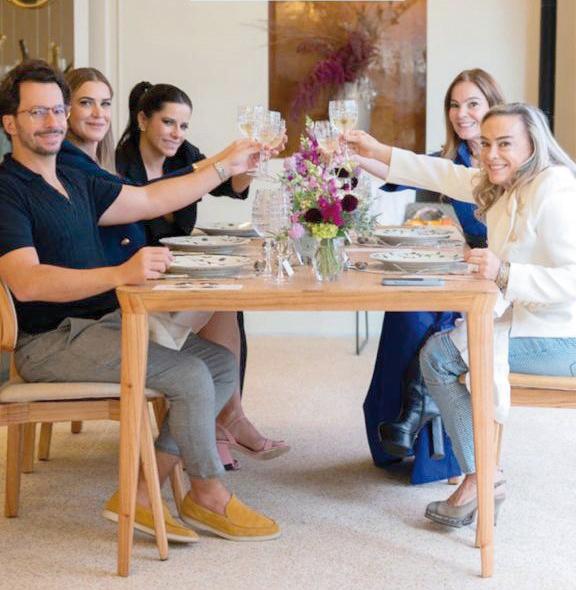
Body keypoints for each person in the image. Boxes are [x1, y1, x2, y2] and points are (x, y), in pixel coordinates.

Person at [0, 59, 279, 543]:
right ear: (10, 123)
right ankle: (208, 494)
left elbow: (152, 200)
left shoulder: (75, 178)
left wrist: (227, 165)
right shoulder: (7, 190)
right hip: (48, 341)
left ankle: (144, 493)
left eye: (56, 111)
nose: (52, 122)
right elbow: (25, 282)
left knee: (217, 364)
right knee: (190, 375)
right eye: (37, 113)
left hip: (103, 322)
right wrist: (120, 273)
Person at [347, 102, 576, 526]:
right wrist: (377, 150)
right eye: (486, 144)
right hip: (531, 324)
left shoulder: (555, 189)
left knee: (436, 356)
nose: (491, 154)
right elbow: (440, 173)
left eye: (505, 144)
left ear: (533, 145)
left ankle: (481, 477)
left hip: (562, 338)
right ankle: (482, 474)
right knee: (438, 349)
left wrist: (506, 272)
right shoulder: (507, 182)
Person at [62, 69, 289, 470]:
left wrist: (242, 159)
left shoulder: (103, 161)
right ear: (143, 119)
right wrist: (225, 158)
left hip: (154, 273)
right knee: (221, 300)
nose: (176, 133)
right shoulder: (104, 167)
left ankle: (224, 422)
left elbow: (227, 186)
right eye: (86, 102)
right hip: (124, 292)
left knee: (225, 301)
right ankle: (220, 426)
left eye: (104, 104)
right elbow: (148, 200)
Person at [362, 69, 504, 484]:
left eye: (472, 103)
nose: (462, 114)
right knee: (405, 311)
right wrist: (351, 154)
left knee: (430, 321)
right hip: (460, 270)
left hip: (496, 277)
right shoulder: (451, 159)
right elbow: (400, 172)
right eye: (454, 105)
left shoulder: (509, 157)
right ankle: (398, 428)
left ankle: (430, 437)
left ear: (493, 105)